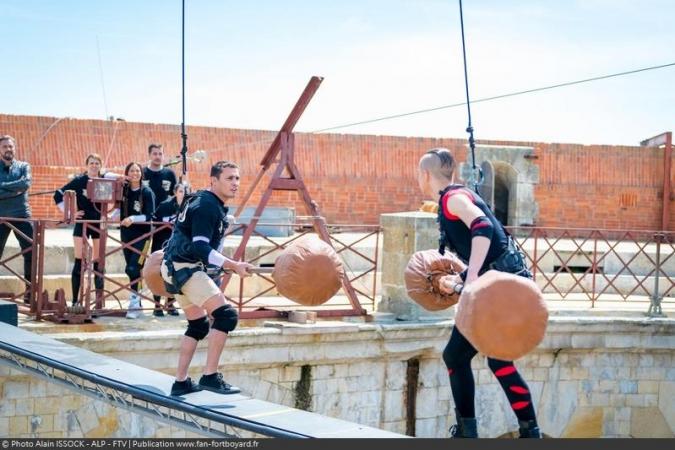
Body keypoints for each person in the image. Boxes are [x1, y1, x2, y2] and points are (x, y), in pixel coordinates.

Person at [417, 148, 541, 439]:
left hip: (501, 289)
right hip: (505, 283)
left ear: (424, 175)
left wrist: (470, 277)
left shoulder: (453, 199)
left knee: (456, 356)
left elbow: (482, 227)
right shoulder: (458, 195)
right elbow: (488, 252)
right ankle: (529, 430)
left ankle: (467, 432)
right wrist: (460, 277)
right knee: (497, 359)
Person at [161, 161, 253, 396]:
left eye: (237, 178)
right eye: (229, 178)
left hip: (174, 266)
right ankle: (210, 376)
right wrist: (232, 264)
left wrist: (225, 264)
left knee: (199, 324)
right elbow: (200, 246)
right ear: (214, 180)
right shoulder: (207, 206)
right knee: (226, 316)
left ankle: (180, 383)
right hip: (185, 268)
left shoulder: (205, 200)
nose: (235, 183)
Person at [54, 153, 111, 306]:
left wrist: (110, 215)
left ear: (100, 165)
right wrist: (70, 213)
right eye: (91, 163)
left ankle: (99, 302)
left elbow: (115, 199)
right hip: (82, 223)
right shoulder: (79, 181)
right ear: (87, 165)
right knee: (79, 261)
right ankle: (75, 301)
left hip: (98, 223)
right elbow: (58, 194)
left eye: (97, 163)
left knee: (99, 263)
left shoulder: (104, 180)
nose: (94, 166)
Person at [114, 162, 156, 319]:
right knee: (129, 269)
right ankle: (136, 302)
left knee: (134, 268)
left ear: (141, 173)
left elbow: (150, 215)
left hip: (142, 236)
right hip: (126, 234)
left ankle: (134, 302)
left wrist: (133, 218)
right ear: (127, 173)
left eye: (137, 170)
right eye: (131, 171)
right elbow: (118, 208)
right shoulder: (124, 190)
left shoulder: (146, 192)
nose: (135, 173)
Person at [143, 144, 178, 315]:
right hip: (150, 224)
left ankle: (170, 303)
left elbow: (177, 195)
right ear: (149, 155)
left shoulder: (170, 174)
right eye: (154, 154)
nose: (157, 156)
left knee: (172, 264)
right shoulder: (143, 173)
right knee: (155, 265)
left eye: (160, 154)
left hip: (170, 225)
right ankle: (156, 305)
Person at [0, 135, 33, 304]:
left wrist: (2, 186)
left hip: (22, 215)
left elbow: (25, 183)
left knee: (31, 252)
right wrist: (14, 189)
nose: (8, 149)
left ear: (15, 148)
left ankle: (30, 292)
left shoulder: (24, 166)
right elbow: (19, 187)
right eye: (5, 146)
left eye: (10, 146)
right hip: (1, 217)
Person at [151, 182, 189, 316]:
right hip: (161, 243)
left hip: (179, 247)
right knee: (158, 274)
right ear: (175, 192)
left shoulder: (190, 207)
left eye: (186, 191)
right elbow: (154, 222)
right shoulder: (165, 206)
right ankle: (157, 306)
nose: (183, 194)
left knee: (174, 275)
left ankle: (170, 304)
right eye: (180, 191)